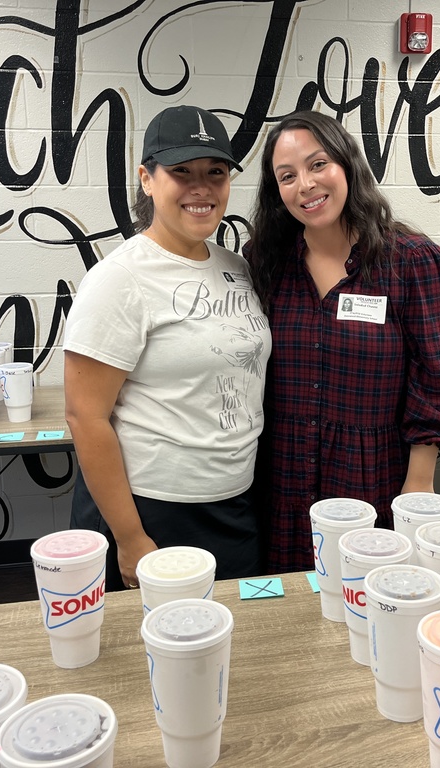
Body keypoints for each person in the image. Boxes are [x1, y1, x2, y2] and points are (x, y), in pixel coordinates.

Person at [245, 111, 440, 573]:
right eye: (287, 176)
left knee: (367, 596)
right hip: (282, 477)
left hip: (372, 476)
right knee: (292, 604)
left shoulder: (411, 262)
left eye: (317, 164)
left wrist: (419, 482)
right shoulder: (267, 263)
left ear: (347, 164)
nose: (305, 184)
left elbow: (431, 379)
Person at [64, 105, 271, 590]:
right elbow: (84, 417)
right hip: (153, 507)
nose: (202, 188)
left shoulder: (236, 267)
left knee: (234, 629)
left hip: (235, 497)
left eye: (215, 172)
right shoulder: (120, 278)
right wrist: (130, 537)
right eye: (182, 172)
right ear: (147, 179)